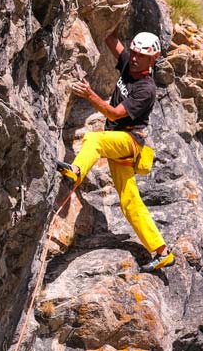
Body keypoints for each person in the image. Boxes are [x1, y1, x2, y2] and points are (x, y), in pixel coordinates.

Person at [56, 30, 175, 272]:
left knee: (95, 141)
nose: (135, 58)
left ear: (153, 59)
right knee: (130, 201)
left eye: (142, 56)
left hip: (129, 141)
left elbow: (114, 114)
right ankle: (162, 252)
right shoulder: (129, 62)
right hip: (122, 142)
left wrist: (90, 95)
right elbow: (112, 41)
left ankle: (75, 171)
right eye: (135, 52)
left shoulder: (146, 88)